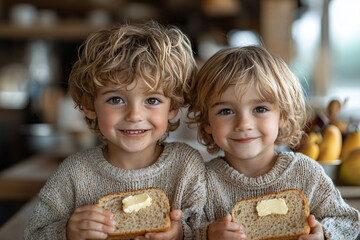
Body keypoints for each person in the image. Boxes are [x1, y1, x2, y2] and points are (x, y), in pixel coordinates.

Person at [24, 21, 206, 240]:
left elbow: (207, 229)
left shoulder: (186, 166)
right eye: (116, 99)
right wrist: (67, 231)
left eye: (152, 100)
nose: (134, 115)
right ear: (89, 105)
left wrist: (180, 234)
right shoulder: (74, 173)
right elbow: (33, 234)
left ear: (174, 106)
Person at [187, 46, 360, 240]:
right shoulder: (200, 182)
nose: (244, 124)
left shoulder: (306, 173)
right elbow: (185, 231)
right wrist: (207, 234)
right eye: (226, 111)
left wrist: (324, 234)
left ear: (283, 116)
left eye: (260, 109)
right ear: (206, 122)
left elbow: (348, 220)